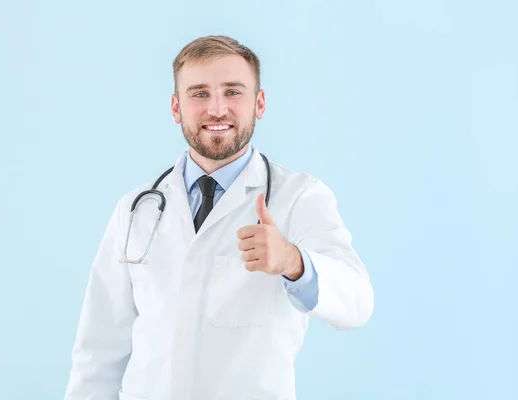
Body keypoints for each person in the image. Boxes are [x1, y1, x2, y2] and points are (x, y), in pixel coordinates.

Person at [64, 35, 374, 400]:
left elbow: (357, 303)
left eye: (233, 92)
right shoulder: (136, 208)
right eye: (199, 94)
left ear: (259, 103)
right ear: (176, 108)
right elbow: (99, 352)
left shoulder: (299, 197)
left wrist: (295, 262)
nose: (216, 109)